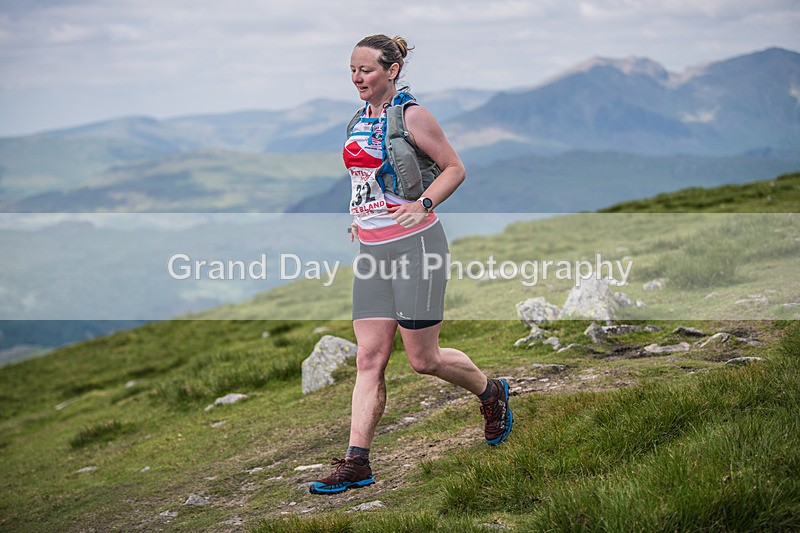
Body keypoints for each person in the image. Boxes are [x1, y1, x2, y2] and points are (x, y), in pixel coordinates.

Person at [309, 34, 512, 495]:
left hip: (417, 247)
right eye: (352, 71)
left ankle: (492, 393)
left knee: (423, 360)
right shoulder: (358, 121)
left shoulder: (413, 116)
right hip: (373, 252)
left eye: (366, 70)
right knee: (369, 357)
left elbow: (454, 168)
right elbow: (365, 181)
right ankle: (357, 463)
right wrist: (360, 220)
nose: (358, 78)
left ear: (392, 70)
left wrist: (422, 203)